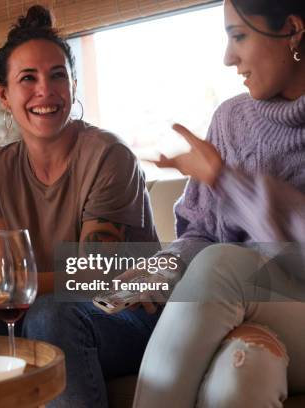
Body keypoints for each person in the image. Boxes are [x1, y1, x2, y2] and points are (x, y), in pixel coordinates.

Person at [0, 6, 159, 407]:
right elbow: (0, 265)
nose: (47, 90)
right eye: (29, 78)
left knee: (50, 315)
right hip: (39, 307)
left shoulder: (109, 155)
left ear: (73, 84)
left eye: (58, 75)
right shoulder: (3, 166)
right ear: (4, 95)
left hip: (125, 312)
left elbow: (95, 273)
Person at [133, 0, 305, 406]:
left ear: (293, 29)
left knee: (224, 264)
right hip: (259, 310)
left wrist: (224, 180)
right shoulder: (232, 120)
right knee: (244, 368)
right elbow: (202, 233)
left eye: (239, 36)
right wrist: (161, 268)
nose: (229, 58)